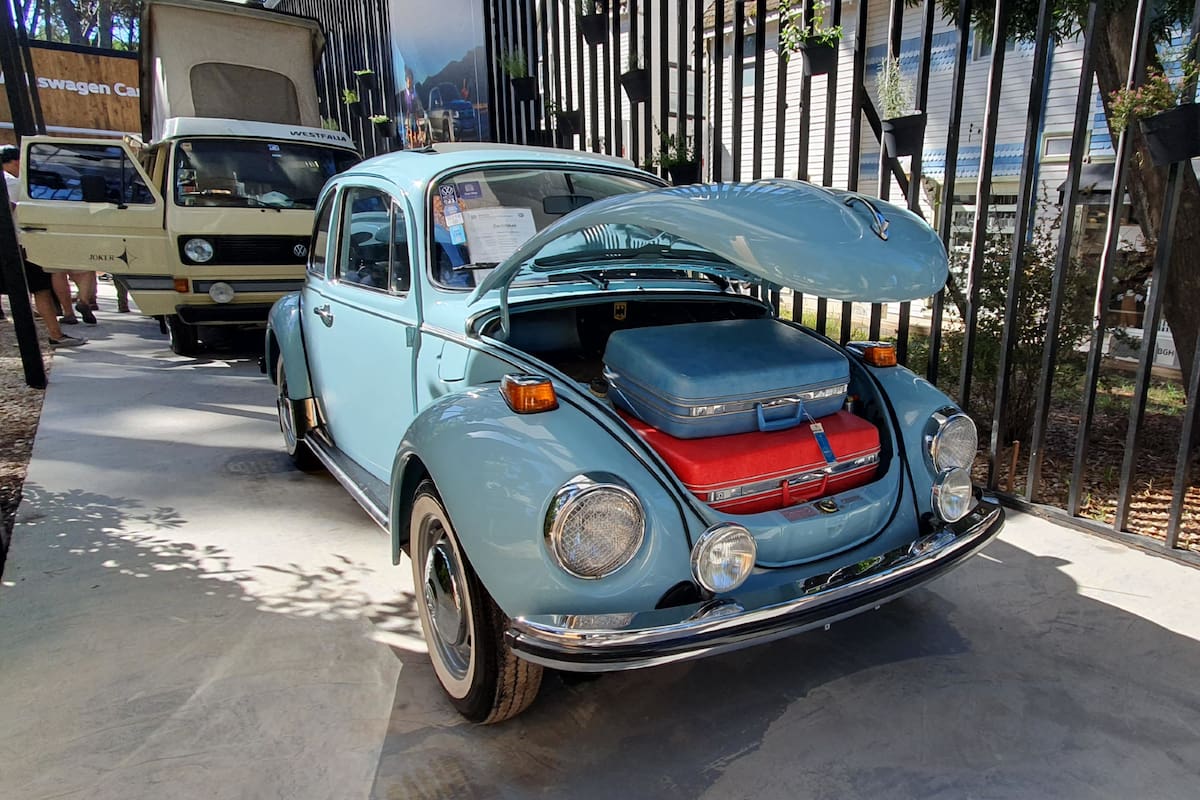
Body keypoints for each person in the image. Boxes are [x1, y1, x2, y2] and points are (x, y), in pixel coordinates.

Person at [2, 144, 85, 347]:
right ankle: (54, 335)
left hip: (13, 243)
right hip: (19, 243)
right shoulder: (10, 182)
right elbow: (12, 209)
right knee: (40, 289)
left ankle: (35, 337)